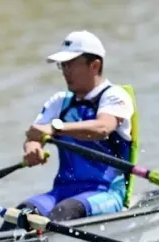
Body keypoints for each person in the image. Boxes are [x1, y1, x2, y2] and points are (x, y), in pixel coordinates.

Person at [17, 30, 139, 225]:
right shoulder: (59, 102)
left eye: (71, 64)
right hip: (62, 191)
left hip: (105, 192)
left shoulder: (114, 96)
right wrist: (33, 148)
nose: (65, 71)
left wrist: (56, 128)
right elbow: (34, 135)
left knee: (63, 212)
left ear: (94, 65)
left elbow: (102, 128)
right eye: (62, 65)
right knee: (21, 214)